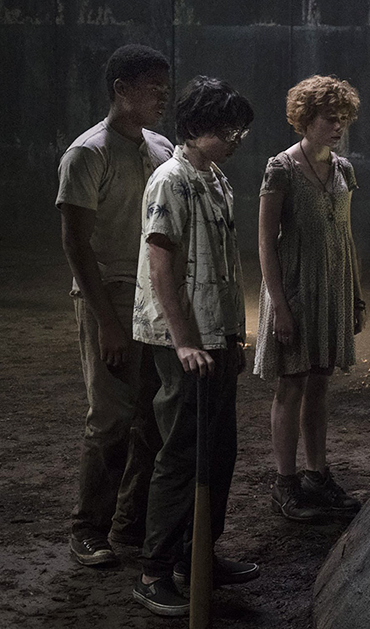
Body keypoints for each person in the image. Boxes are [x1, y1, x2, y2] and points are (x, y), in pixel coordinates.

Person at [131, 75, 258, 616]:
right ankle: (154, 571)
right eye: (228, 129)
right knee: (183, 453)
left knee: (219, 450)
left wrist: (233, 335)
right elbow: (161, 266)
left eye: (239, 130)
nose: (236, 139)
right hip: (183, 339)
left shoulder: (216, 179)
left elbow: (223, 266)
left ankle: (198, 555)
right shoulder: (171, 181)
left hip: (217, 335)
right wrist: (184, 342)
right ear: (198, 126)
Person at [56, 44, 172, 567]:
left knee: (151, 414)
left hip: (153, 296)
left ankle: (130, 521)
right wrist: (105, 320)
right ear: (121, 90)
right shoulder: (88, 153)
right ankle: (88, 527)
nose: (162, 97)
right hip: (112, 294)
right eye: (152, 88)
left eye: (164, 87)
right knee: (110, 417)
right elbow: (76, 243)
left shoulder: (161, 148)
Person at [254, 75, 364, 522]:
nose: (337, 127)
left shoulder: (343, 170)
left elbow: (346, 236)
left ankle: (317, 475)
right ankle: (285, 484)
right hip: (296, 289)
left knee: (320, 382)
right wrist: (280, 306)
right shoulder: (281, 169)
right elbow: (265, 243)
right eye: (329, 119)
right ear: (305, 119)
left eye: (342, 119)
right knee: (292, 384)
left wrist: (355, 296)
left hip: (332, 288)